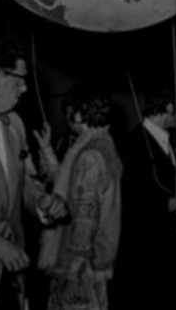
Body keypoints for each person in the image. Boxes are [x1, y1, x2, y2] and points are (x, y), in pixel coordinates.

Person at [0, 40, 67, 310]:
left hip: (10, 273)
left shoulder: (14, 124)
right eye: (21, 80)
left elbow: (23, 181)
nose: (25, 89)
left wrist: (41, 203)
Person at [37, 84, 122, 310]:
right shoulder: (101, 145)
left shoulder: (91, 154)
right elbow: (73, 185)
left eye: (67, 111)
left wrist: (75, 268)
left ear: (77, 112)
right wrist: (46, 149)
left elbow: (86, 211)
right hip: (93, 265)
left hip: (81, 270)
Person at [115, 88, 176, 308]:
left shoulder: (165, 140)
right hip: (145, 249)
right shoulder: (133, 144)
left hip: (166, 241)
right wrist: (170, 204)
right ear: (169, 106)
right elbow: (131, 197)